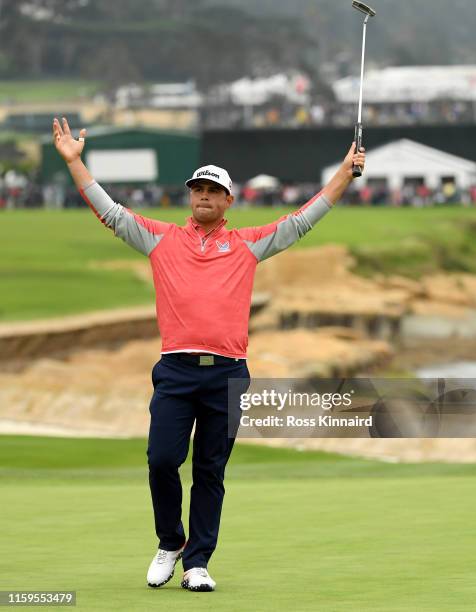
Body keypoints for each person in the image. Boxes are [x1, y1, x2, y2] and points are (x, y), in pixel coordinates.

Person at [52, 116, 366, 593]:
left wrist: (344, 173)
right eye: (197, 189)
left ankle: (198, 562)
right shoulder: (161, 239)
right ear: (190, 196)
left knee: (210, 471)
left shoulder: (247, 244)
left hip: (226, 374)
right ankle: (170, 542)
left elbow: (303, 219)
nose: (203, 195)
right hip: (176, 371)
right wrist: (76, 163)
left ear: (227, 201)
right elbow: (111, 213)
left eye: (212, 191)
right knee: (161, 460)